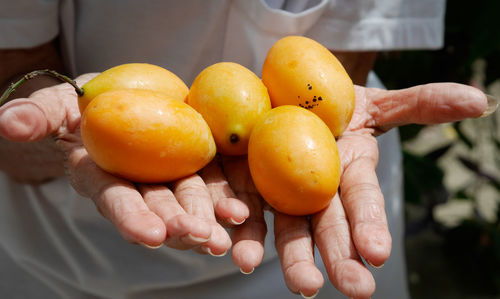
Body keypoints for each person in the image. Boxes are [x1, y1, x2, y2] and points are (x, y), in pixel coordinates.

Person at [0, 0, 490, 298]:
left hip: (297, 250)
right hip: (67, 255)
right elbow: (13, 67)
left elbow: (331, 84)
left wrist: (307, 142)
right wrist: (64, 130)